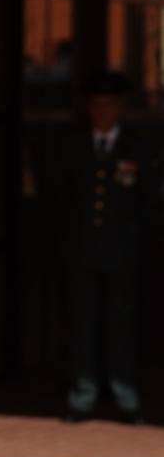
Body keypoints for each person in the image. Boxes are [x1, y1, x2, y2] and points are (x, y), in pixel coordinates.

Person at [61, 71, 161, 423]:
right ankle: (83, 396)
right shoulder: (73, 148)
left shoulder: (137, 149)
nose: (102, 112)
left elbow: (149, 203)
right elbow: (61, 201)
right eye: (96, 105)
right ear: (89, 109)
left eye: (109, 105)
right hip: (83, 251)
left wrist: (143, 247)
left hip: (123, 253)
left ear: (119, 108)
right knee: (83, 326)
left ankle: (125, 396)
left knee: (121, 326)